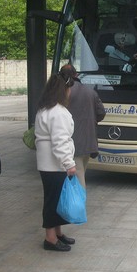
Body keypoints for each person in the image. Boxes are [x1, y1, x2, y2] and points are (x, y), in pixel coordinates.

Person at [35, 73, 77, 252]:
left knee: (56, 200)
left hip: (48, 164)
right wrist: (69, 163)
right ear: (64, 90)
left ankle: (58, 233)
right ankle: (50, 238)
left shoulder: (45, 109)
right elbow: (60, 141)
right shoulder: (58, 112)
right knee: (53, 201)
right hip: (55, 165)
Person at [59, 64, 105, 188]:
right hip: (89, 141)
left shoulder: (62, 93)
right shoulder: (91, 92)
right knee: (81, 172)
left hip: (73, 143)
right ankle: (76, 203)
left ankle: (78, 205)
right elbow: (101, 113)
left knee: (78, 176)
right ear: (76, 75)